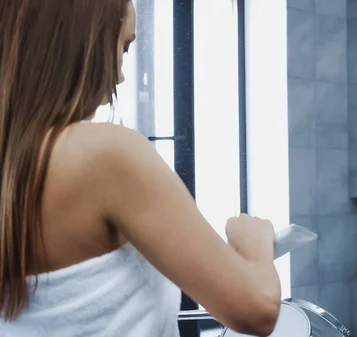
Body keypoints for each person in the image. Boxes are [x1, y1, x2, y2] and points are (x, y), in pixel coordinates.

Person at [0, 1, 281, 336]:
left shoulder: (14, 165)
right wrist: (254, 244)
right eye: (123, 46)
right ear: (80, 43)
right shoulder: (104, 154)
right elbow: (257, 309)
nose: (119, 74)